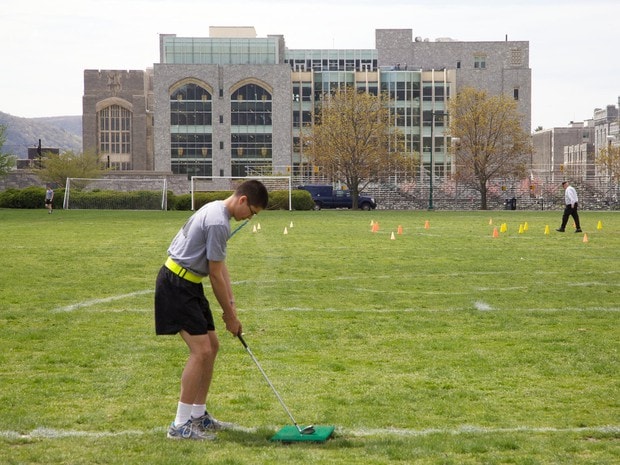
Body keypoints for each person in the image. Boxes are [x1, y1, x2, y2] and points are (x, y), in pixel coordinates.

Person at [155, 180, 269, 440]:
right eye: (252, 213)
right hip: (177, 284)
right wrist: (230, 317)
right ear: (242, 200)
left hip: (190, 283)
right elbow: (215, 275)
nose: (250, 218)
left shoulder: (218, 211)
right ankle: (180, 425)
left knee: (212, 346)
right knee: (201, 350)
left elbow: (220, 265)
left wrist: (231, 303)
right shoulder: (218, 221)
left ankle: (198, 416)